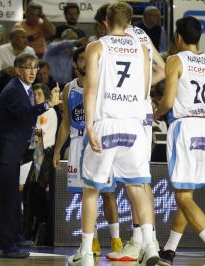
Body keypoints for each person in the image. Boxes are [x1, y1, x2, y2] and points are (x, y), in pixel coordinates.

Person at [68, 3, 157, 265]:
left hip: (106, 123)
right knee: (138, 187)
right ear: (130, 23)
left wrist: (91, 126)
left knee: (91, 190)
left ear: (105, 21)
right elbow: (143, 91)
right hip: (133, 125)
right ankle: (150, 246)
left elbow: (91, 89)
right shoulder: (142, 49)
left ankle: (85, 252)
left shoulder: (96, 47)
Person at [89, 3, 165, 261]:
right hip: (139, 113)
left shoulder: (107, 43)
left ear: (105, 23)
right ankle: (147, 242)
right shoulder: (141, 37)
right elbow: (161, 69)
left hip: (122, 112)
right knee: (139, 180)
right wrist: (140, 89)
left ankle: (140, 242)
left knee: (135, 183)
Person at [154, 16, 205, 266]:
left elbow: (168, 101)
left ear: (178, 38)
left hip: (185, 127)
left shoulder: (175, 60)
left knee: (182, 197)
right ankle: (169, 251)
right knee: (187, 193)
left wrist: (156, 114)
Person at [0, 53, 60, 259]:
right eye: (27, 67)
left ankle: (16, 237)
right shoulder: (13, 90)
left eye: (35, 68)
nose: (32, 71)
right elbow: (24, 115)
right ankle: (5, 246)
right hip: (4, 150)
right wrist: (48, 104)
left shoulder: (23, 89)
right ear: (18, 69)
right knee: (9, 198)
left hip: (13, 148)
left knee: (14, 197)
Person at [53, 47, 123, 256]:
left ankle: (116, 239)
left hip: (99, 142)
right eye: (82, 59)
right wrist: (57, 150)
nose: (87, 62)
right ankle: (92, 241)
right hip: (77, 142)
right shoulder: (69, 89)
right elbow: (66, 122)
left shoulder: (103, 85)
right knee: (86, 195)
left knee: (108, 193)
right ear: (76, 64)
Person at [23, 83, 57, 244]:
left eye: (38, 94)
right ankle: (30, 231)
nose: (35, 97)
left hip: (42, 155)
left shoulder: (46, 112)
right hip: (39, 154)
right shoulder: (41, 113)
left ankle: (29, 232)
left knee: (32, 194)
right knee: (33, 195)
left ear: (46, 96)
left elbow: (39, 136)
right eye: (34, 94)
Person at [0, 27, 35, 96]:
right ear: (13, 39)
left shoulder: (30, 51)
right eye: (23, 38)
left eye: (26, 38)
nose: (26, 41)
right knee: (11, 78)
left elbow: (34, 70)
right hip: (4, 83)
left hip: (25, 82)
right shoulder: (1, 50)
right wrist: (4, 71)